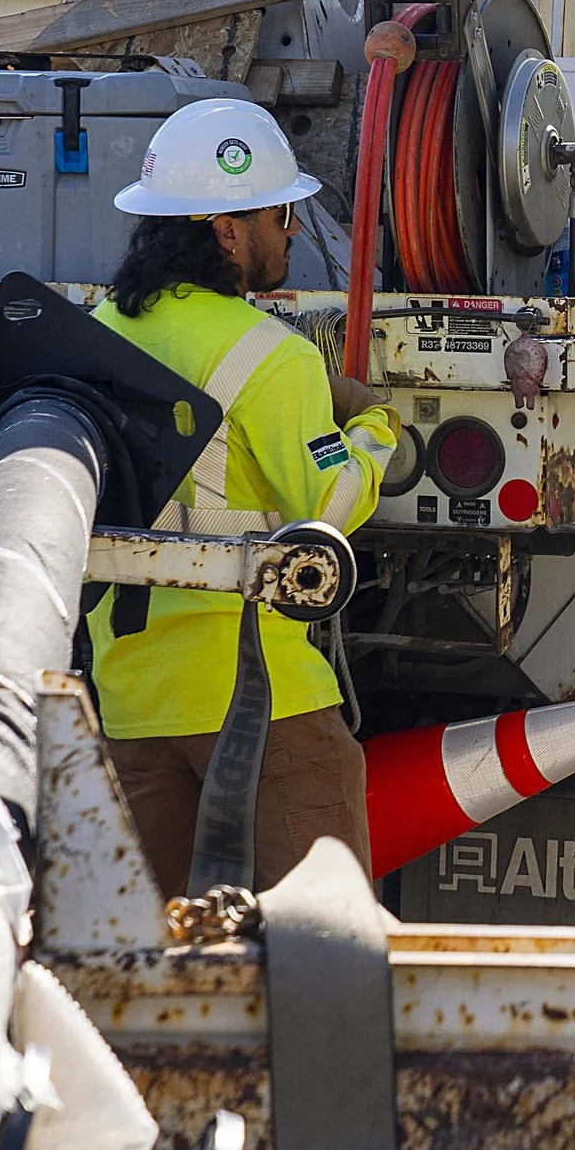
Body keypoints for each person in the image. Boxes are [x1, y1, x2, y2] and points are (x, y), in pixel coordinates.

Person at [88, 97, 397, 896]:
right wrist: (372, 428)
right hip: (266, 709)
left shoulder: (95, 334)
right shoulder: (275, 358)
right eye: (282, 212)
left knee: (156, 976)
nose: (293, 228)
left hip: (131, 708)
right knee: (322, 960)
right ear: (227, 231)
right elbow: (326, 508)